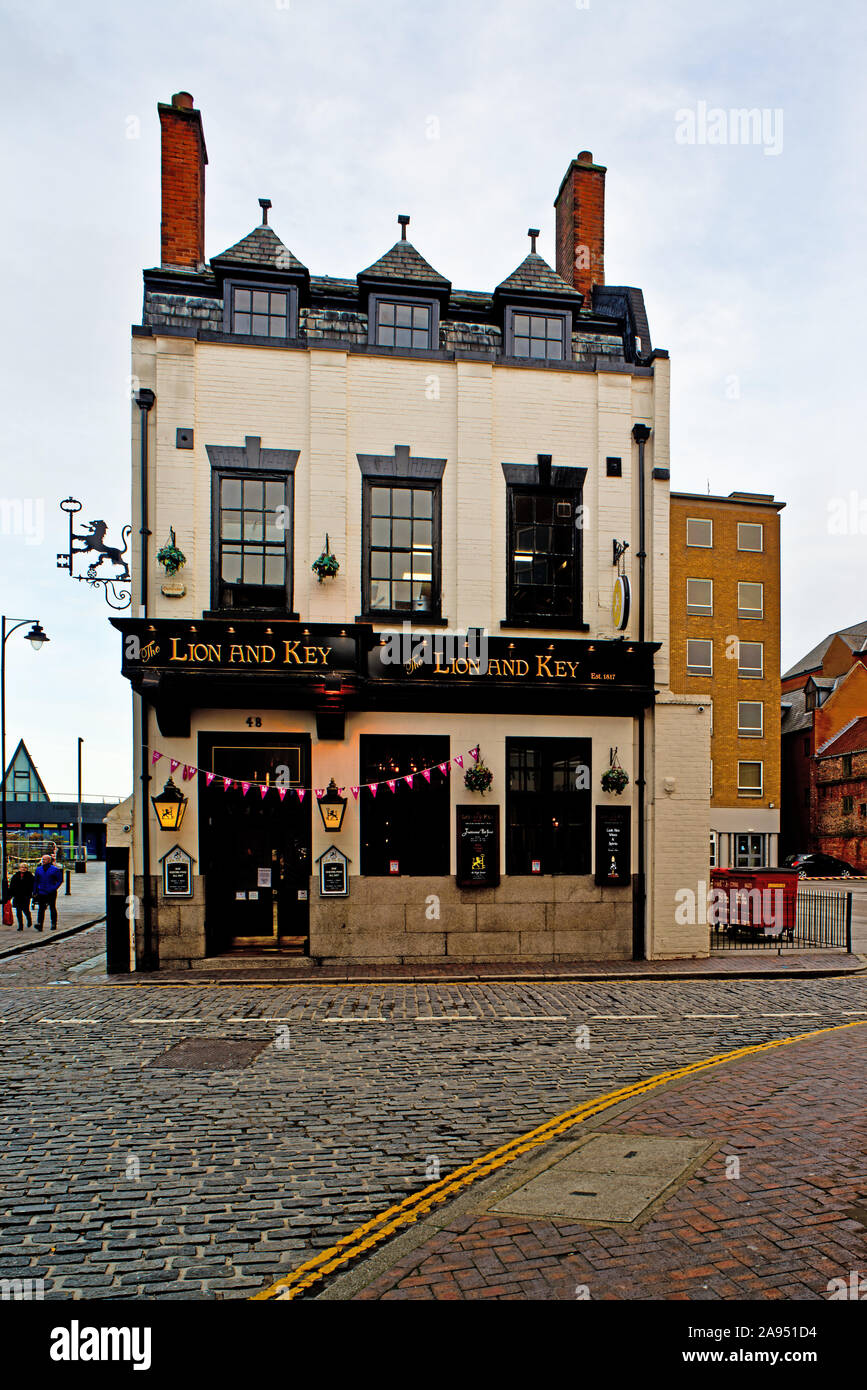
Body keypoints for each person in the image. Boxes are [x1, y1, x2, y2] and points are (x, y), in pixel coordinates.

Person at [33, 854, 63, 931]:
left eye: (45, 859)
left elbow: (60, 880)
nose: (43, 861)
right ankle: (40, 924)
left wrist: (54, 888)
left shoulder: (54, 869)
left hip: (51, 891)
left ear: (49, 860)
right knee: (41, 908)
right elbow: (36, 881)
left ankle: (53, 923)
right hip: (41, 891)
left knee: (52, 907)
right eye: (42, 859)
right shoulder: (38, 869)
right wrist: (35, 891)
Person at [9, 862, 35, 931]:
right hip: (17, 896)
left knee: (25, 910)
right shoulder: (15, 876)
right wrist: (10, 895)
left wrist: (32, 893)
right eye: (22, 867)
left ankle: (29, 919)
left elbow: (32, 886)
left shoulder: (30, 876)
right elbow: (12, 886)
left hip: (26, 896)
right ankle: (20, 925)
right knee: (18, 911)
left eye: (25, 867)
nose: (23, 869)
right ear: (19, 868)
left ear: (27, 868)